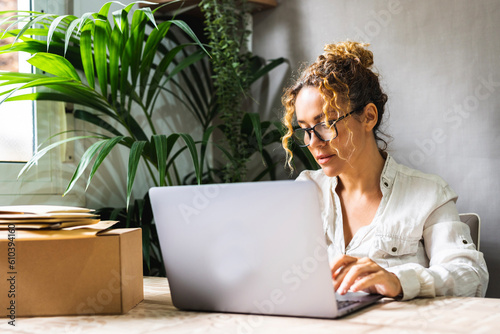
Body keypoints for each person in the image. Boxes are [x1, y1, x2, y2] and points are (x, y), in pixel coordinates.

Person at [280, 41, 489, 300]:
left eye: (325, 124)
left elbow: (471, 275)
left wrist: (399, 280)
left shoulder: (428, 193)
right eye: (305, 129)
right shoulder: (305, 191)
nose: (313, 142)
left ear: (369, 116)